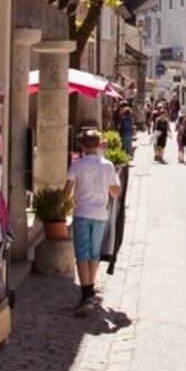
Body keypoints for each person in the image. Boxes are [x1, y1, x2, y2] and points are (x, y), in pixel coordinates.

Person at [60, 129, 121, 315]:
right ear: (98, 145)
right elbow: (115, 190)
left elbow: (67, 189)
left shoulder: (78, 165)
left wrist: (58, 206)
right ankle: (90, 292)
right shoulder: (108, 165)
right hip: (100, 214)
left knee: (82, 254)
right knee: (94, 254)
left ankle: (86, 294)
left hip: (82, 213)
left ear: (83, 146)